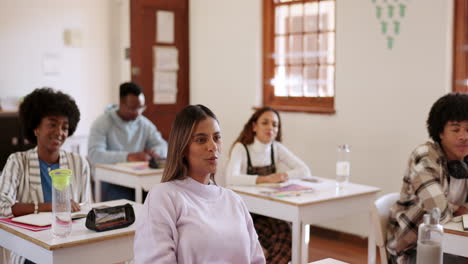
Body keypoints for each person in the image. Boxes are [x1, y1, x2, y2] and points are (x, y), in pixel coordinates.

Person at [134, 105, 265, 264]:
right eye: (201, 140)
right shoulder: (164, 196)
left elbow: (257, 259)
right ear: (182, 148)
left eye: (217, 137)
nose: (213, 147)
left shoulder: (233, 200)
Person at [0, 88, 92, 263]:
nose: (59, 132)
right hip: (29, 249)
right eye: (52, 124)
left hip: (70, 246)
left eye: (65, 127)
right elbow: (1, 205)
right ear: (35, 128)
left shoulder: (79, 163)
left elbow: (86, 209)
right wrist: (50, 206)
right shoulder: (18, 161)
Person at [386, 93, 468, 264]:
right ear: (440, 132)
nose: (464, 136)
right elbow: (440, 215)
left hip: (456, 242)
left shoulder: (465, 157)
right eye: (455, 129)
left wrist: (457, 208)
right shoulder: (424, 157)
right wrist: (458, 209)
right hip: (413, 247)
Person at [225, 106, 311, 264]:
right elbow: (231, 178)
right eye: (265, 122)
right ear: (254, 126)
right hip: (246, 213)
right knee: (269, 237)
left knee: (286, 231)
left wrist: (284, 176)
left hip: (269, 210)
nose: (270, 127)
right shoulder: (241, 148)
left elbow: (305, 170)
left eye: (275, 124)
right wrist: (266, 179)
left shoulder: (276, 148)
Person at [87, 82, 167, 201]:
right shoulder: (102, 123)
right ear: (121, 103)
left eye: (140, 107)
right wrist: (129, 156)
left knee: (158, 198)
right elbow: (95, 155)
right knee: (127, 204)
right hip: (110, 182)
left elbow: (162, 145)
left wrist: (156, 153)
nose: (137, 113)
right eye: (132, 108)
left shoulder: (143, 123)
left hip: (137, 179)